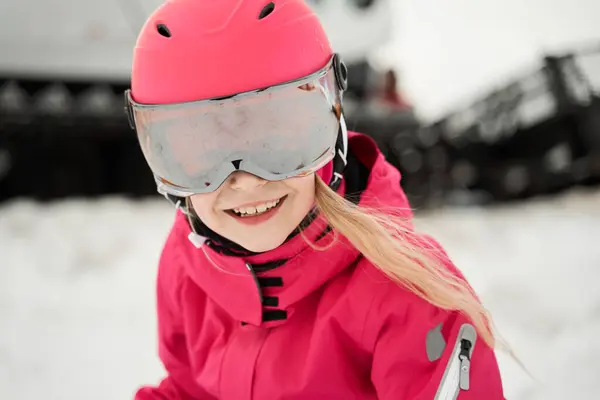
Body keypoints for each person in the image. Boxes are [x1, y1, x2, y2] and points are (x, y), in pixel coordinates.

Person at [125, 0, 506, 398]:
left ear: (331, 132)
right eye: (202, 152)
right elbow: (190, 389)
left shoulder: (408, 293)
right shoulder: (189, 264)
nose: (246, 181)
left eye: (276, 140)